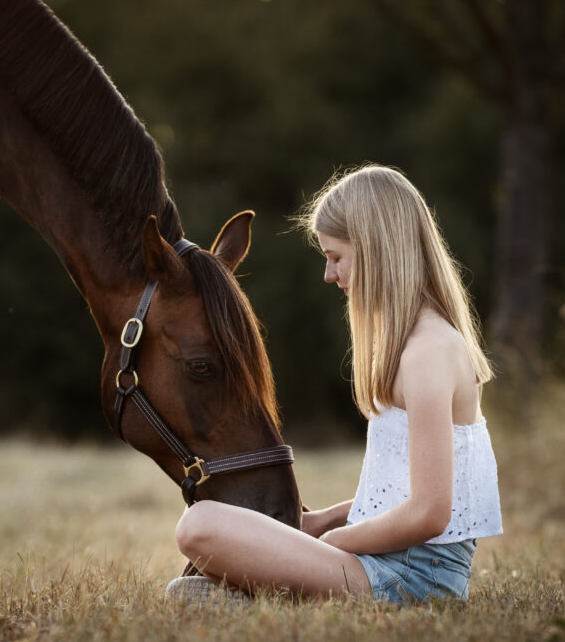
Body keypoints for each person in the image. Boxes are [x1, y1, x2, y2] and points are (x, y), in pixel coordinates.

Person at [167, 164, 502, 605]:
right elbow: (407, 490)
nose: (329, 274)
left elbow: (429, 513)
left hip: (412, 577)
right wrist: (324, 519)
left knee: (200, 526)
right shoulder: (416, 343)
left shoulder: (428, 353)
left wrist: (331, 545)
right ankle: (258, 599)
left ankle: (273, 596)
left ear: (377, 249)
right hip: (397, 566)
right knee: (206, 535)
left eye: (335, 257)